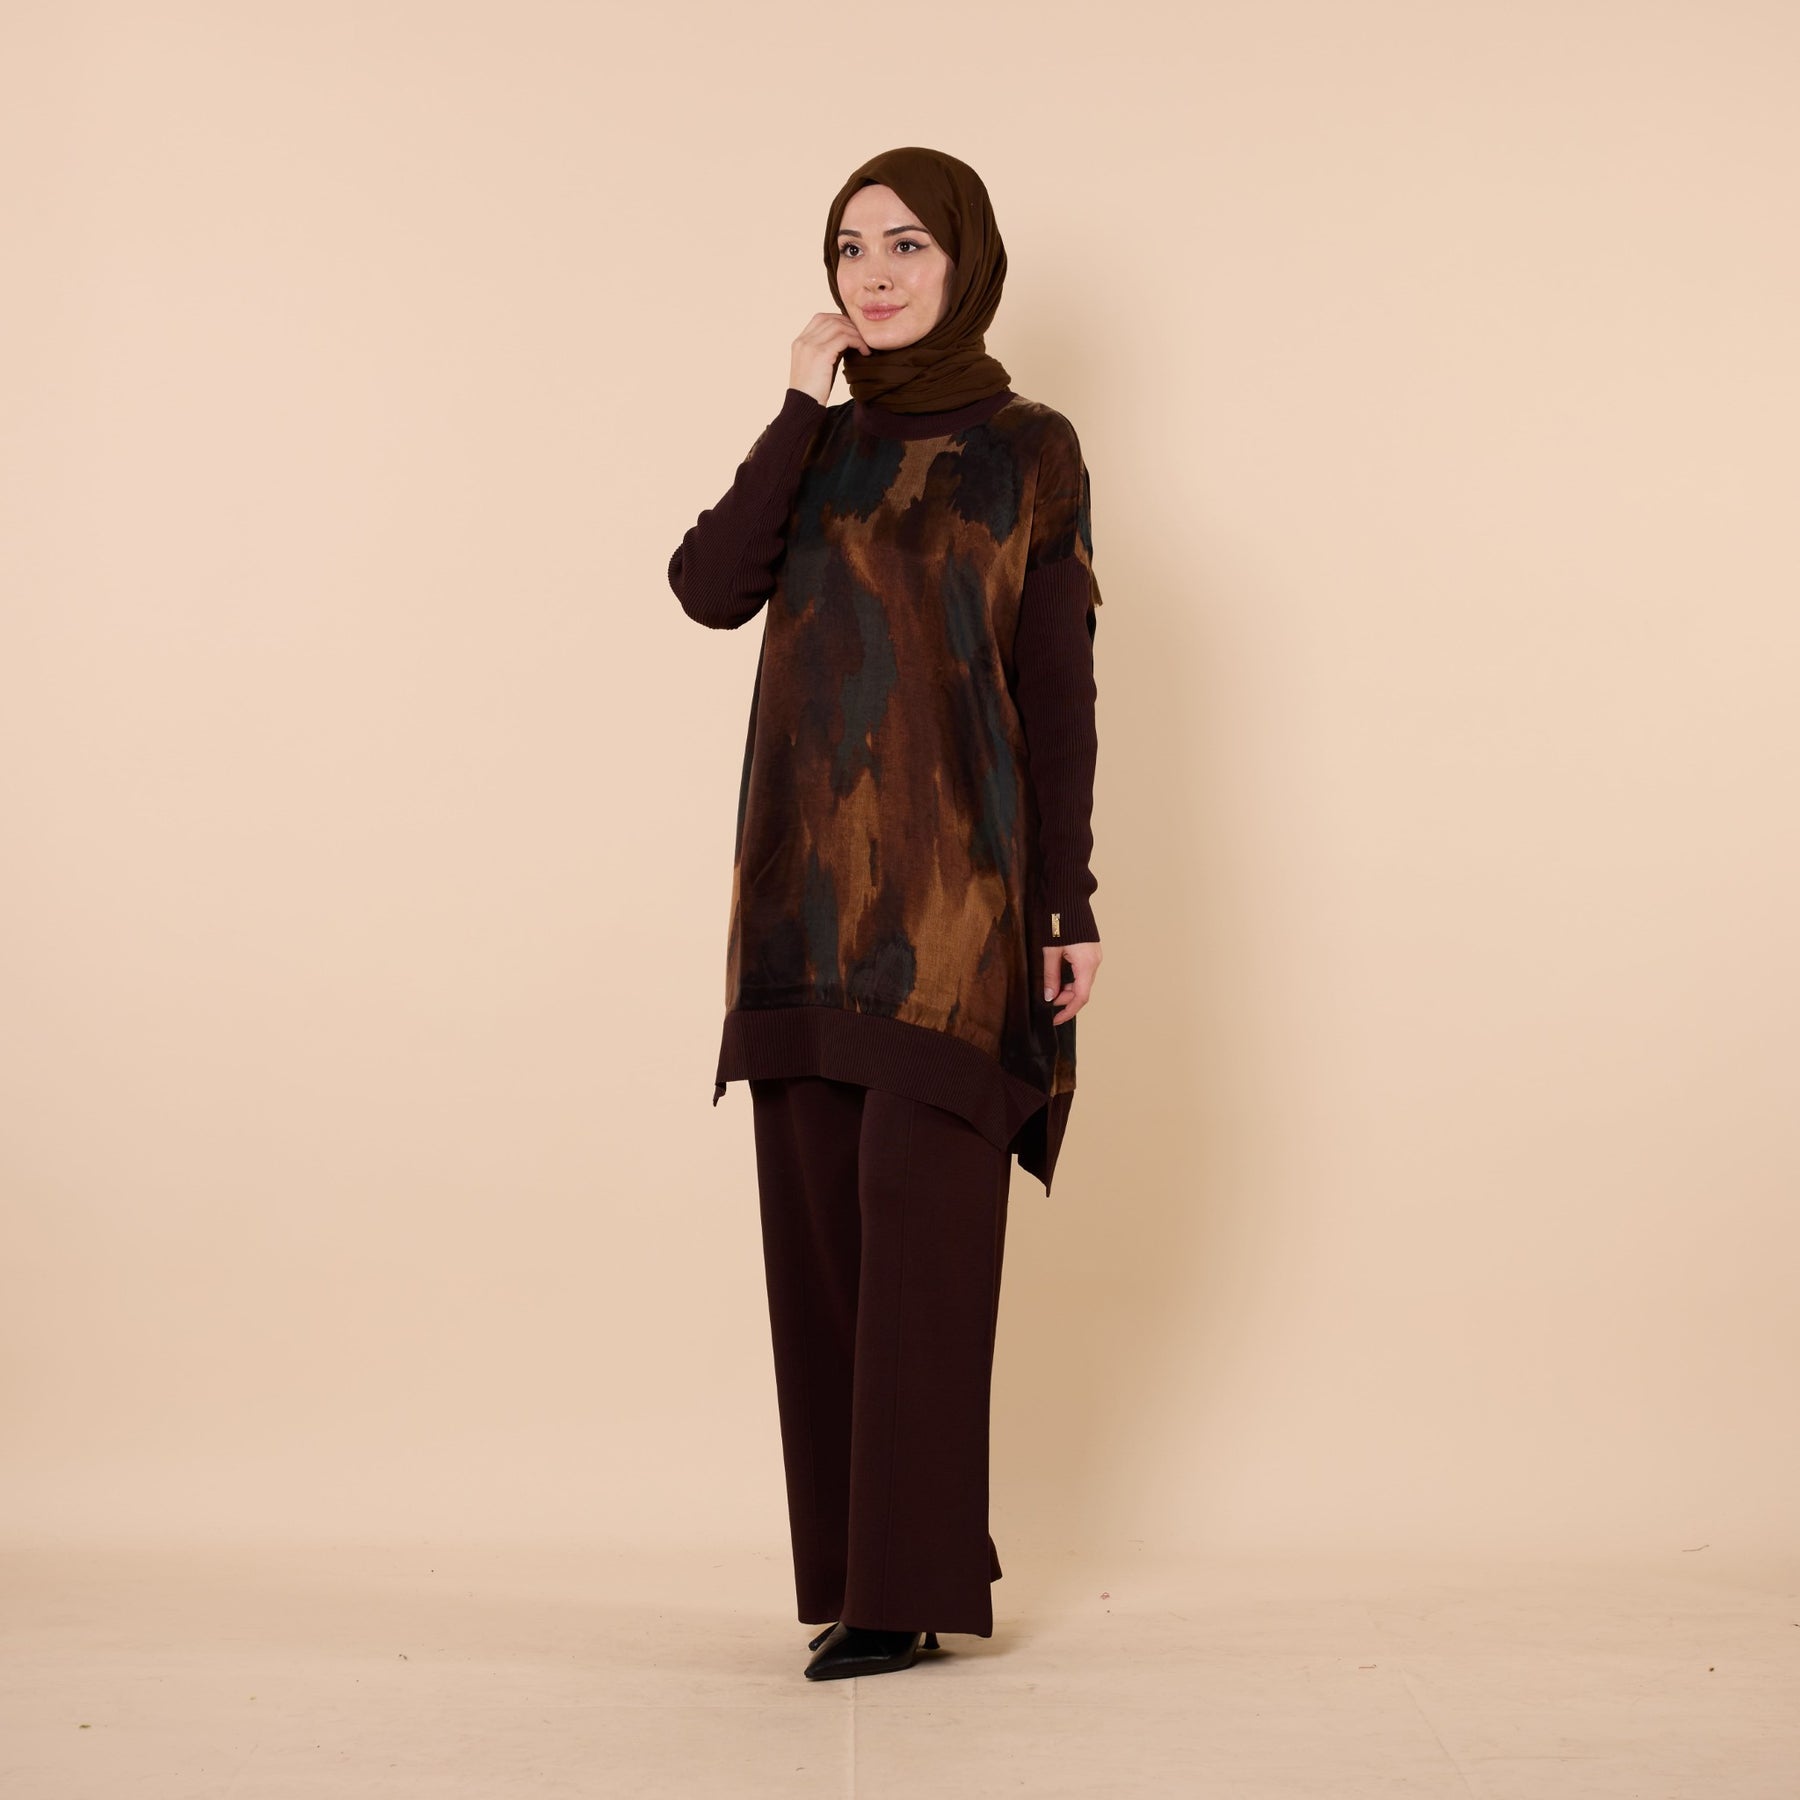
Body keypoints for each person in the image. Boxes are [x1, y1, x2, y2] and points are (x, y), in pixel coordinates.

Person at [667, 146, 1104, 1681]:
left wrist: (1067, 901)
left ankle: (906, 1586)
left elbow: (1056, 686)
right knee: (823, 1259)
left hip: (956, 913)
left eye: (908, 243)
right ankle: (864, 1578)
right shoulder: (821, 446)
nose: (876, 272)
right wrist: (799, 406)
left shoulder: (1029, 450)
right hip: (802, 909)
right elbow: (709, 586)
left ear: (965, 259)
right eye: (851, 247)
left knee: (925, 1250)